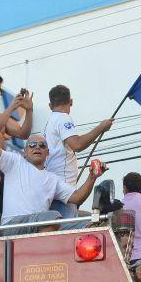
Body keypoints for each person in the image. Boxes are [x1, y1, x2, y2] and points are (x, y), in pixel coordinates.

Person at [0, 101, 105, 234]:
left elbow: (77, 197)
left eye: (42, 145)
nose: (37, 147)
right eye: (32, 144)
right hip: (13, 226)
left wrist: (92, 177)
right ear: (25, 151)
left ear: (47, 152)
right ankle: (46, 251)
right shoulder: (15, 162)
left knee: (89, 222)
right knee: (52, 217)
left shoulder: (53, 179)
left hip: (39, 226)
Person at [44, 85, 114, 217]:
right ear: (71, 102)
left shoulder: (51, 121)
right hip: (63, 189)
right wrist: (100, 128)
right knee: (66, 234)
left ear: (50, 105)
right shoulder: (63, 118)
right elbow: (77, 144)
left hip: (56, 188)